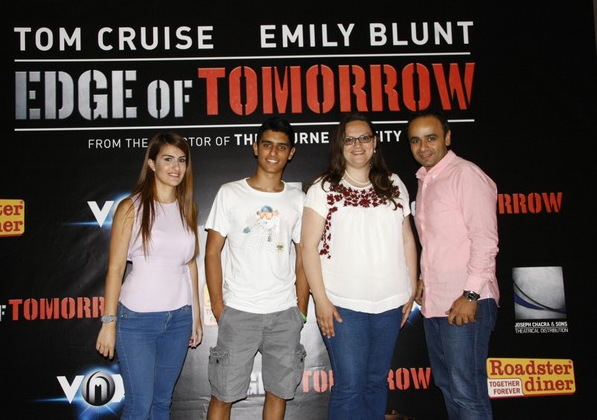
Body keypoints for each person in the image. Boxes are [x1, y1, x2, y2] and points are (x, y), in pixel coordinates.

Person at [300, 112, 417, 420]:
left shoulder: (394, 183)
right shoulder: (323, 188)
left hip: (391, 304)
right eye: (349, 139)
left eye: (364, 137)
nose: (357, 145)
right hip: (343, 306)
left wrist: (411, 288)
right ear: (340, 146)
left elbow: (407, 238)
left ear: (375, 142)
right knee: (350, 386)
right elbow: (308, 248)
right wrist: (321, 300)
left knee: (376, 383)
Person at [205, 116, 309, 420]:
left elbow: (304, 257)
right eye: (267, 145)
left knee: (279, 393)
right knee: (223, 395)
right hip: (239, 312)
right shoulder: (229, 193)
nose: (273, 152)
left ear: (291, 153)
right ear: (255, 148)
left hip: (284, 313)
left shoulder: (299, 200)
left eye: (281, 147)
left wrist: (301, 309)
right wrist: (218, 307)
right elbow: (212, 252)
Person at [95, 132, 202, 420]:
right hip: (137, 321)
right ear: (152, 164)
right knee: (139, 407)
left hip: (179, 319)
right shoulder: (130, 208)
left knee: (161, 403)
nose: (176, 167)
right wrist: (108, 322)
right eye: (168, 159)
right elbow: (116, 269)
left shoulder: (187, 208)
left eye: (181, 160)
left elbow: (190, 263)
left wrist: (196, 315)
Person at [407, 109, 499, 420]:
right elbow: (437, 242)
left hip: (467, 300)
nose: (423, 147)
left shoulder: (465, 174)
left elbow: (485, 240)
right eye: (415, 141)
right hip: (436, 303)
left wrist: (470, 295)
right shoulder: (426, 180)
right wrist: (423, 279)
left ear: (447, 138)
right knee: (448, 387)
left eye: (431, 138)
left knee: (466, 392)